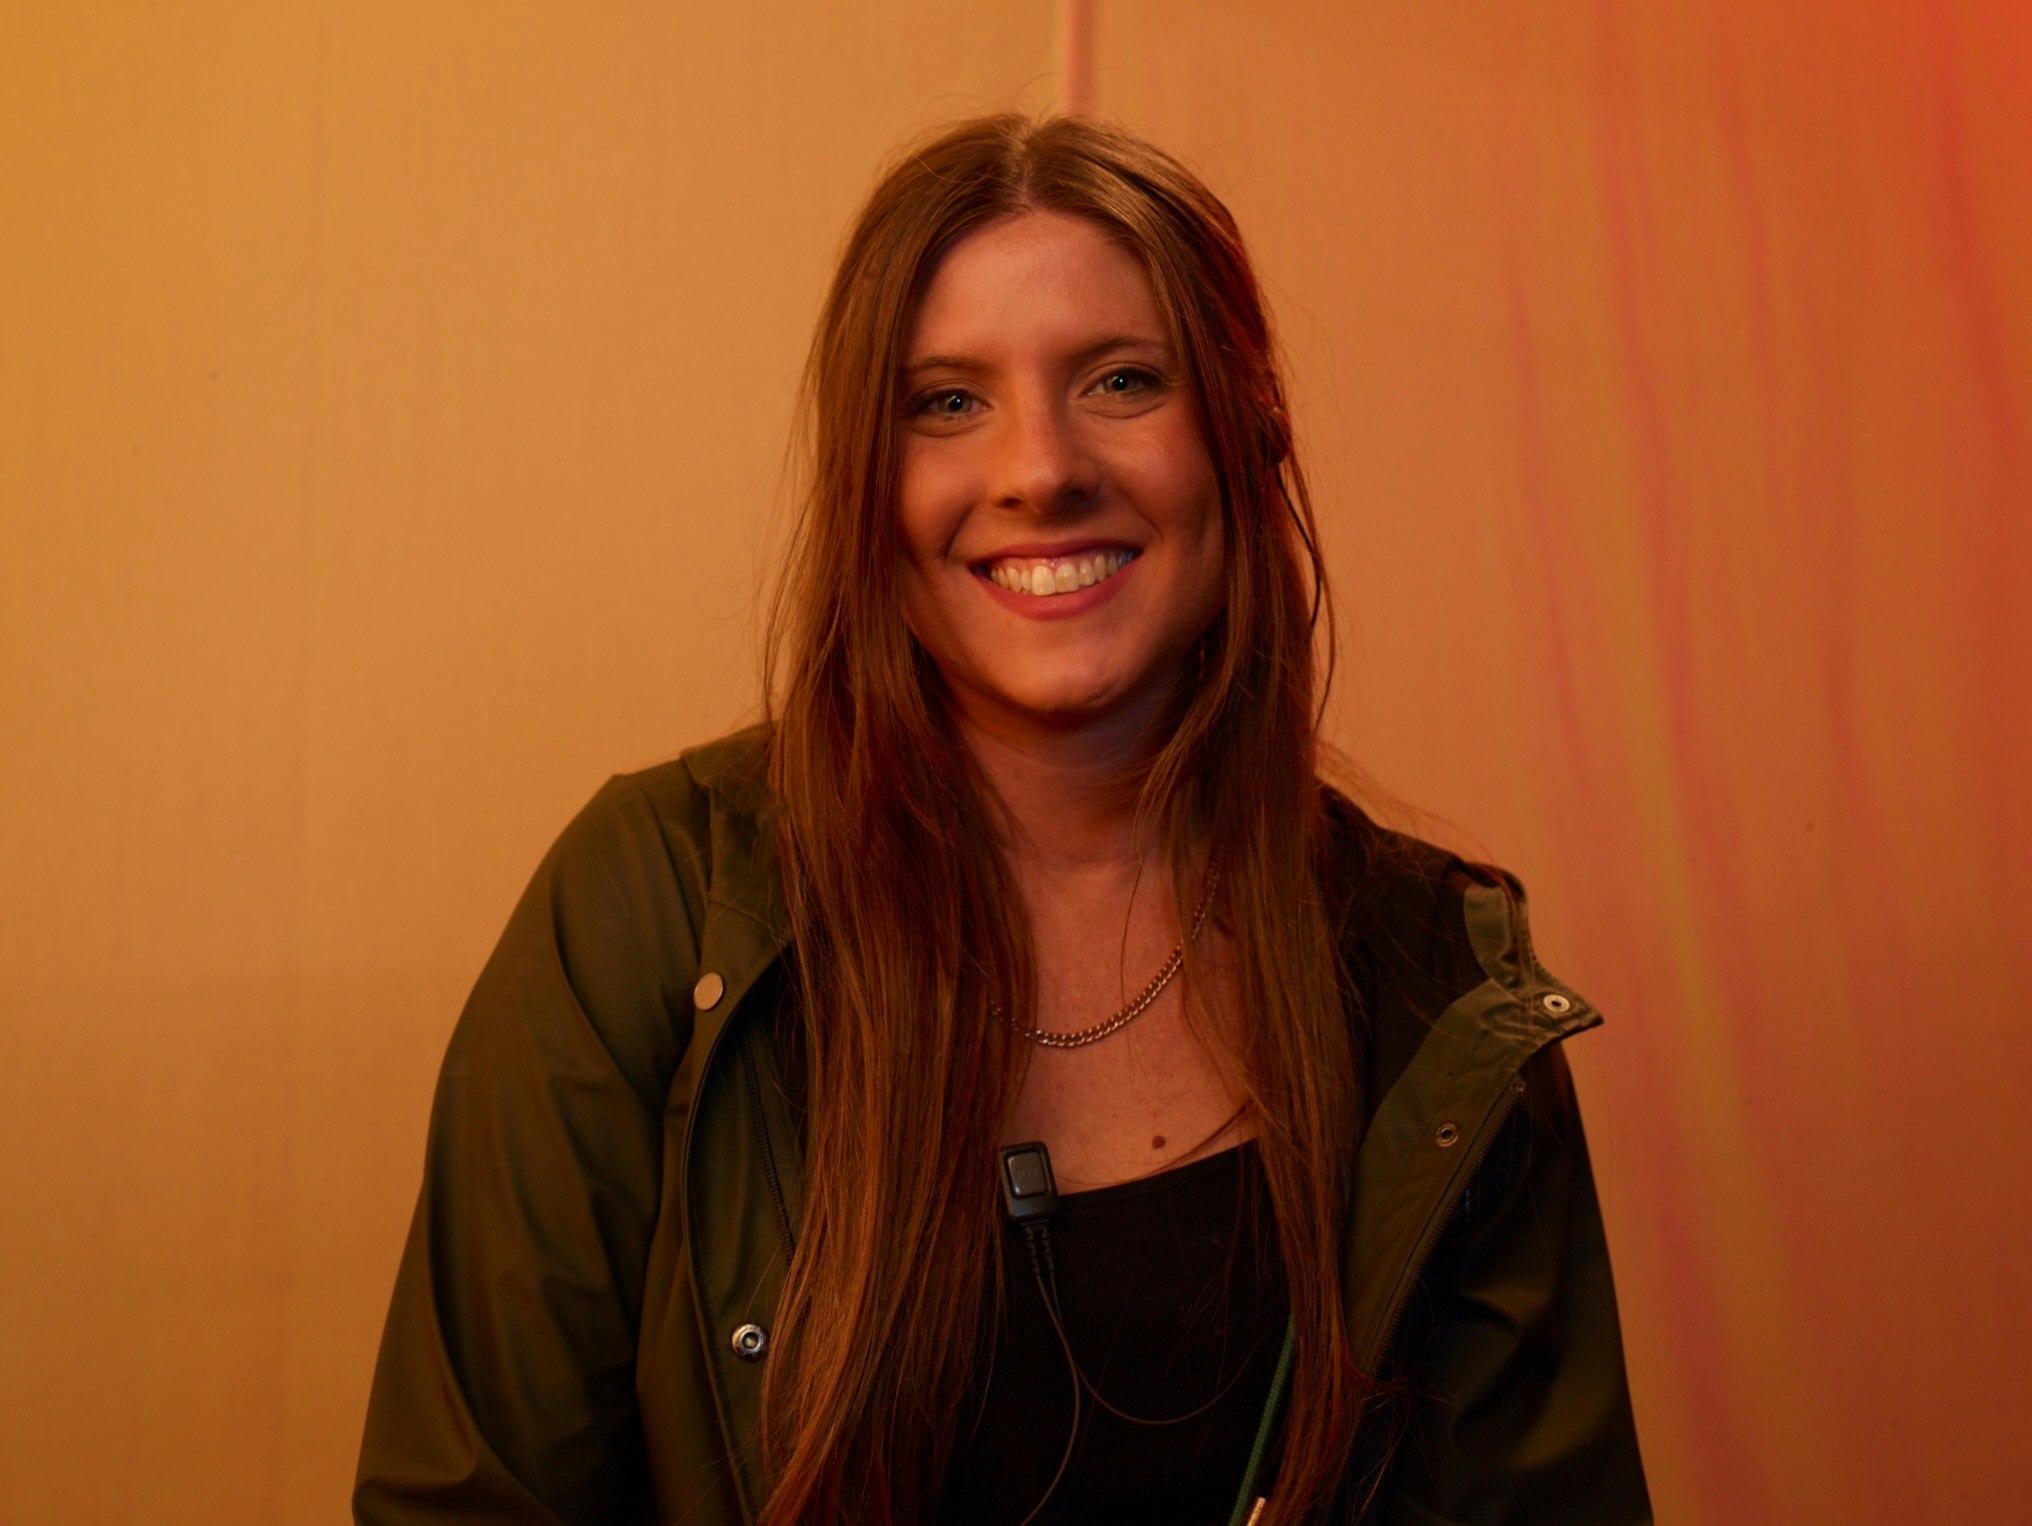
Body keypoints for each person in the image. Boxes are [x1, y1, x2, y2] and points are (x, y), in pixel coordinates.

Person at [354, 114, 1650, 1525]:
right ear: (868, 480)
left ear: (1249, 433)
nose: (1041, 468)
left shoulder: (1442, 989)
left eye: (1122, 380)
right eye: (947, 401)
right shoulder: (650, 904)